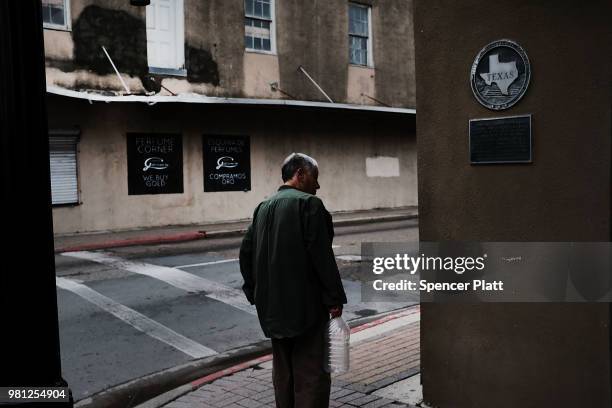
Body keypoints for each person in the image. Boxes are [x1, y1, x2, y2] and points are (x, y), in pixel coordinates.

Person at [239, 152, 347, 408]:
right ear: (300, 173)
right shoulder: (310, 205)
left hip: (272, 309)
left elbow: (246, 254)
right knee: (310, 372)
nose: (317, 185)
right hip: (306, 307)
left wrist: (254, 292)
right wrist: (334, 297)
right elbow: (321, 256)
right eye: (315, 177)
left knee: (283, 371)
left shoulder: (263, 208)